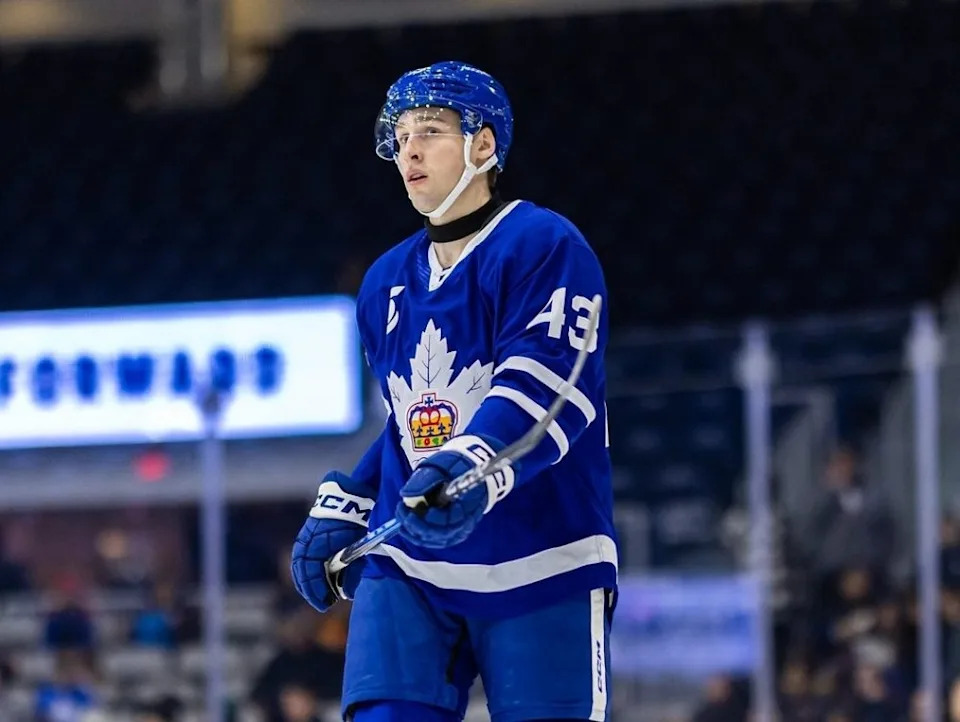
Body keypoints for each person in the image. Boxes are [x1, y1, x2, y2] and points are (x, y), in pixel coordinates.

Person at [291, 61, 617, 722]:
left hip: (542, 559)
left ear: (484, 145)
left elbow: (552, 390)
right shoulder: (384, 281)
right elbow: (411, 426)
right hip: (413, 568)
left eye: (431, 130)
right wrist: (354, 497)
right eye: (401, 135)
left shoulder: (545, 245)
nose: (409, 149)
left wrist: (473, 467)